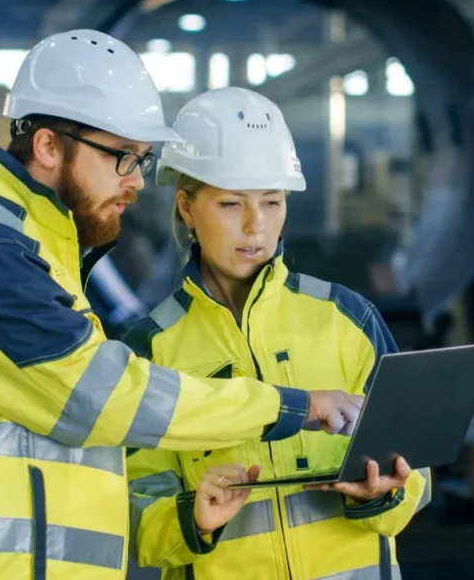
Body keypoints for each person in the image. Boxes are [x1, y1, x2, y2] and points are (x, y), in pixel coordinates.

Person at [0, 30, 365, 580]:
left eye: (142, 160)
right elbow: (102, 397)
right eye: (122, 157)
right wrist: (289, 407)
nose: (136, 181)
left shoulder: (42, 254)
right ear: (48, 146)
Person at [124, 87, 432, 580]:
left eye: (272, 201)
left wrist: (383, 492)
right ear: (186, 207)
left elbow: (417, 470)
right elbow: (136, 513)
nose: (256, 226)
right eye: (231, 204)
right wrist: (193, 519)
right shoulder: (150, 350)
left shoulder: (348, 319)